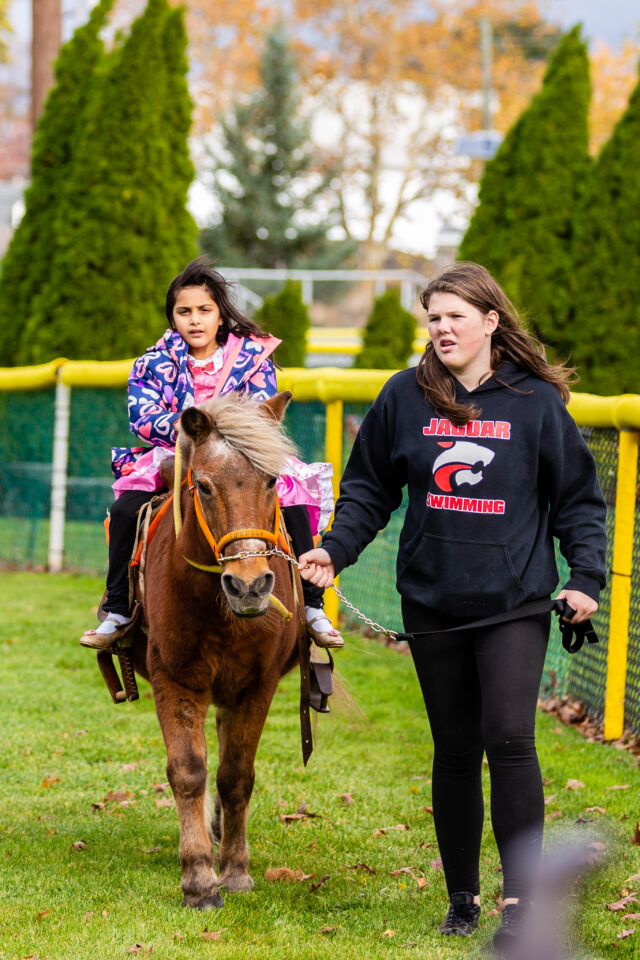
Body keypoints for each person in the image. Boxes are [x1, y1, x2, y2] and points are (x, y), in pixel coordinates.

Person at [298, 262, 606, 952]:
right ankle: (462, 901)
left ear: (491, 321)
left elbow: (579, 500)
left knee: (510, 737)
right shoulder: (404, 396)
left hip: (515, 602)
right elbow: (369, 490)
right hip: (433, 601)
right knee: (457, 749)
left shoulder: (534, 402)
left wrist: (585, 576)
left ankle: (523, 905)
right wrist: (333, 551)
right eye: (432, 317)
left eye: (455, 316)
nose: (441, 328)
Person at [80, 257, 343, 650]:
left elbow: (259, 416)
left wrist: (218, 430)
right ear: (172, 317)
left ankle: (312, 607)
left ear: (221, 316)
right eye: (184, 311)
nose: (195, 319)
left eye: (204, 310)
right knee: (124, 511)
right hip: (176, 453)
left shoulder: (253, 359)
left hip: (240, 457)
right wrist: (194, 429)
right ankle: (118, 607)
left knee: (291, 502)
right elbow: (143, 419)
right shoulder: (151, 364)